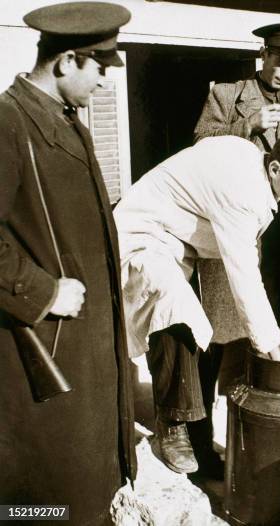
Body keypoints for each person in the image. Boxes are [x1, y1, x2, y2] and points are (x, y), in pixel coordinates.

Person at [114, 126, 280, 475]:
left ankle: (190, 427)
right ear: (276, 168)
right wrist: (271, 346)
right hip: (141, 235)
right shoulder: (243, 191)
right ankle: (172, 424)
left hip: (177, 242)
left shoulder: (250, 159)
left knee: (188, 318)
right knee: (178, 311)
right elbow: (244, 274)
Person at [0, 3, 136, 524]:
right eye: (100, 67)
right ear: (65, 62)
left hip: (85, 347)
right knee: (46, 498)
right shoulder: (9, 121)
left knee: (86, 486)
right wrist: (42, 291)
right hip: (43, 348)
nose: (104, 82)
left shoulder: (62, 118)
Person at [193, 23, 280, 323]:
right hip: (238, 221)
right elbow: (200, 146)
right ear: (264, 54)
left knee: (278, 306)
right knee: (234, 314)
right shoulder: (226, 95)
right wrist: (247, 125)